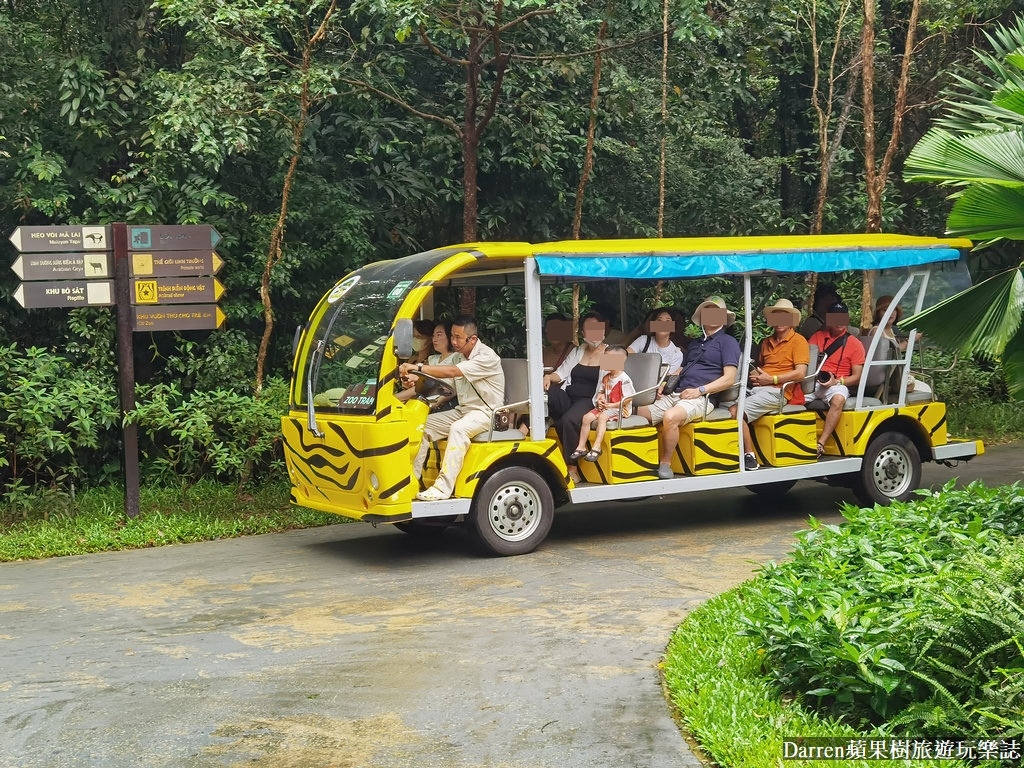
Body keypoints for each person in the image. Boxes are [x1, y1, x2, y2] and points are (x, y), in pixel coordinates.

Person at [400, 315, 504, 501]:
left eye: (458, 338)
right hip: (464, 411)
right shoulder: (458, 356)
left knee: (458, 429)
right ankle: (410, 482)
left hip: (487, 413)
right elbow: (440, 377)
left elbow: (452, 371)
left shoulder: (486, 357)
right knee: (422, 426)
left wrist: (419, 368)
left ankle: (442, 488)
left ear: (472, 339)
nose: (454, 342)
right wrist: (413, 378)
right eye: (452, 336)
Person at [646, 297, 741, 479]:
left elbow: (729, 379)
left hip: (702, 398)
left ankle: (665, 463)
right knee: (636, 412)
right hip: (677, 393)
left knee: (670, 417)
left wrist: (700, 390)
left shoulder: (728, 342)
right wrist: (664, 384)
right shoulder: (695, 343)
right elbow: (682, 369)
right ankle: (642, 459)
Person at [731, 298, 810, 471]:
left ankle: (749, 456)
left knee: (736, 411)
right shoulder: (766, 342)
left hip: (778, 391)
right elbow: (763, 368)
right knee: (724, 405)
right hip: (758, 388)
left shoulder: (799, 341)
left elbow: (800, 374)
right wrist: (755, 375)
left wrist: (771, 379)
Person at [544, 311, 609, 481]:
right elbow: (561, 373)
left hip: (590, 399)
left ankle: (573, 468)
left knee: (567, 421)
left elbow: (616, 378)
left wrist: (603, 396)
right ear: (582, 332)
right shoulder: (578, 350)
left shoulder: (610, 352)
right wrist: (548, 377)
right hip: (569, 396)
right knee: (549, 395)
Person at [806, 302, 866, 457]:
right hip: (814, 381)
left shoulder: (855, 344)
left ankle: (821, 443)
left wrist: (837, 381)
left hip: (838, 383)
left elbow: (857, 377)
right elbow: (806, 362)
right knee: (790, 397)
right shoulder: (817, 337)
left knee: (838, 399)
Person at [568, 346, 635, 463]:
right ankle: (581, 447)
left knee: (602, 417)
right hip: (606, 407)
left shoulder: (624, 379)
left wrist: (612, 406)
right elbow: (601, 392)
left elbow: (628, 398)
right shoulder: (606, 377)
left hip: (620, 409)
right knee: (586, 418)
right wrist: (600, 399)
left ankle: (597, 447)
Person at [627, 307, 684, 422]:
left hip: (658, 396)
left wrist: (658, 391)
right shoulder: (643, 340)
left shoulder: (676, 353)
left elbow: (668, 381)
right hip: (634, 389)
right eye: (659, 320)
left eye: (667, 321)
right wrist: (605, 361)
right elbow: (624, 356)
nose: (663, 324)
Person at [396, 320, 457, 405]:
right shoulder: (432, 359)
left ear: (451, 336)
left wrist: (394, 398)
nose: (434, 339)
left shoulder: (457, 358)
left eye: (439, 335)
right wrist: (409, 380)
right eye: (433, 335)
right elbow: (420, 378)